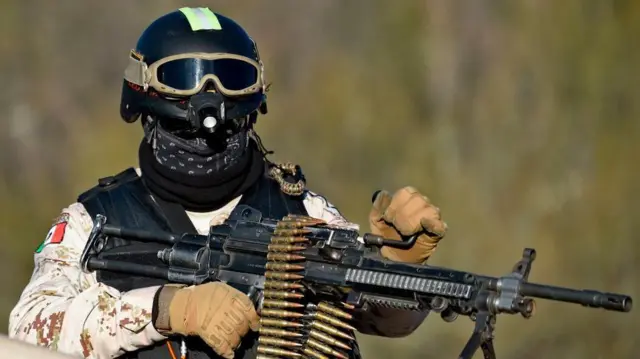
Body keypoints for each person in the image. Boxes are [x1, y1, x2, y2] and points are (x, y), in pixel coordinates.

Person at [8, 7, 448, 359]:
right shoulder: (94, 220)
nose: (210, 102)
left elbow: (388, 321)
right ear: (144, 102)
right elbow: (30, 329)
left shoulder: (303, 212)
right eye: (186, 82)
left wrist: (397, 263)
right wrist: (164, 308)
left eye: (230, 81)